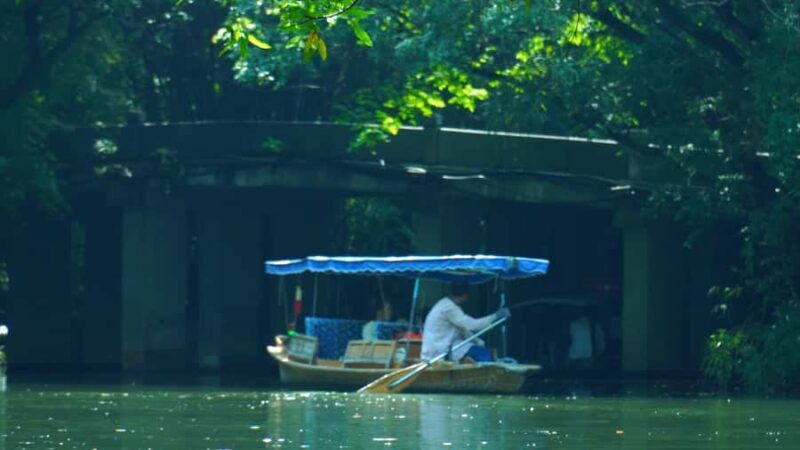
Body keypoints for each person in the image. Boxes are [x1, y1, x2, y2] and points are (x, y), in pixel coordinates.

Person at [421, 282, 511, 363]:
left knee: (483, 350)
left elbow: (463, 329)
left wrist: (478, 341)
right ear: (465, 296)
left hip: (447, 346)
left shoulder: (448, 305)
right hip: (439, 351)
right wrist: (495, 316)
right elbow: (473, 325)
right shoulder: (448, 307)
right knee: (484, 355)